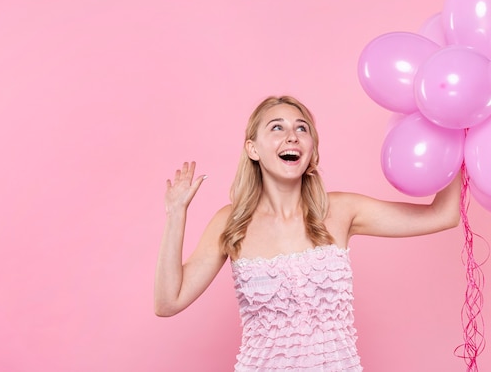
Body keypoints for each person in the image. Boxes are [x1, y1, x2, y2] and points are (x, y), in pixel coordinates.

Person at [154, 95, 461, 371]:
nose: (292, 136)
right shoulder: (231, 222)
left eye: (302, 129)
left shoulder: (341, 211)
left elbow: (443, 215)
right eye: (277, 128)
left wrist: (457, 131)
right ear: (253, 149)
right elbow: (168, 302)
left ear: (312, 149)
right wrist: (175, 215)